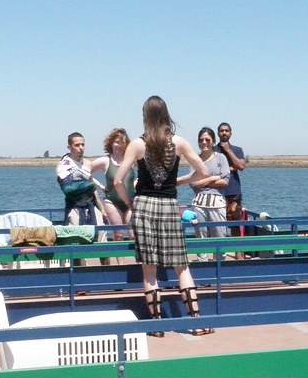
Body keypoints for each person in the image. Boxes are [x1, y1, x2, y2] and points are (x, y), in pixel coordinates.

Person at [115, 96, 212, 336]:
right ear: (166, 114)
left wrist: (129, 202)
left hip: (144, 205)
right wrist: (180, 181)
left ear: (145, 116)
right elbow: (203, 172)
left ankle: (157, 326)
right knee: (182, 267)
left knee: (149, 269)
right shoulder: (179, 143)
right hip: (169, 204)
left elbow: (118, 180)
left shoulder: (137, 144)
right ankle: (197, 321)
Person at [180, 127, 230, 254]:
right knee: (201, 238)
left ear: (212, 141)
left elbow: (225, 181)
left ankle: (219, 265)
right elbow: (193, 183)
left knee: (219, 236)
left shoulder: (221, 158)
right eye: (201, 140)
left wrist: (203, 181)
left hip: (217, 203)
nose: (204, 142)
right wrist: (214, 178)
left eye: (207, 139)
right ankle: (202, 263)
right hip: (199, 204)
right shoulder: (195, 160)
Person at [91, 128, 136, 253]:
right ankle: (119, 265)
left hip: (131, 203)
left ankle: (137, 265)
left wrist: (137, 182)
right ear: (111, 143)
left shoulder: (131, 160)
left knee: (134, 235)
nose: (119, 146)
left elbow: (147, 170)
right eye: (116, 142)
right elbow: (84, 170)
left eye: (122, 143)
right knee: (118, 235)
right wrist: (99, 185)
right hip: (112, 202)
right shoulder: (105, 161)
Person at [56, 132, 101, 226]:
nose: (81, 148)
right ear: (69, 147)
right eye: (77, 145)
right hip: (74, 207)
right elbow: (68, 189)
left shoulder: (88, 163)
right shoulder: (63, 165)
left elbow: (92, 186)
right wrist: (89, 186)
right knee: (77, 236)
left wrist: (102, 209)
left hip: (91, 205)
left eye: (82, 144)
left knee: (100, 233)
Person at [216, 122, 247, 256]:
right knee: (217, 227)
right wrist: (229, 169)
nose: (224, 133)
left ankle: (239, 256)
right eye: (222, 131)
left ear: (230, 133)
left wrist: (228, 150)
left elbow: (240, 166)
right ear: (218, 133)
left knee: (235, 227)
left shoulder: (237, 150)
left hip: (233, 193)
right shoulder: (213, 150)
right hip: (217, 193)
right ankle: (218, 257)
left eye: (226, 131)